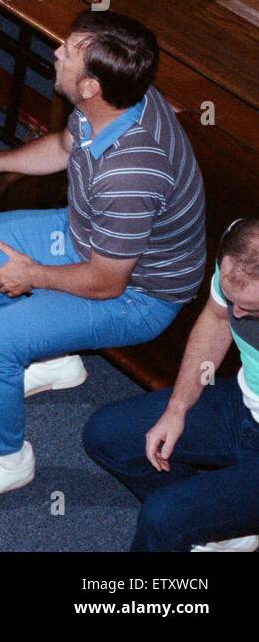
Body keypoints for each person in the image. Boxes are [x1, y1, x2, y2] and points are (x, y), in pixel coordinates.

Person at [0, 11, 206, 512]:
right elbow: (62, 146)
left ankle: (6, 458)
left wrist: (31, 275)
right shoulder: (117, 103)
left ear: (92, 85)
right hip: (86, 236)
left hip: (137, 294)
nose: (56, 51)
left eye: (69, 51)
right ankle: (52, 359)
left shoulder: (131, 175)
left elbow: (104, 284)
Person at [83, 217, 259, 551]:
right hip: (244, 405)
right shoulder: (241, 249)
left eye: (249, 307)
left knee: (163, 518)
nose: (235, 311)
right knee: (107, 434)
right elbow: (217, 319)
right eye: (230, 297)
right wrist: (178, 408)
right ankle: (219, 525)